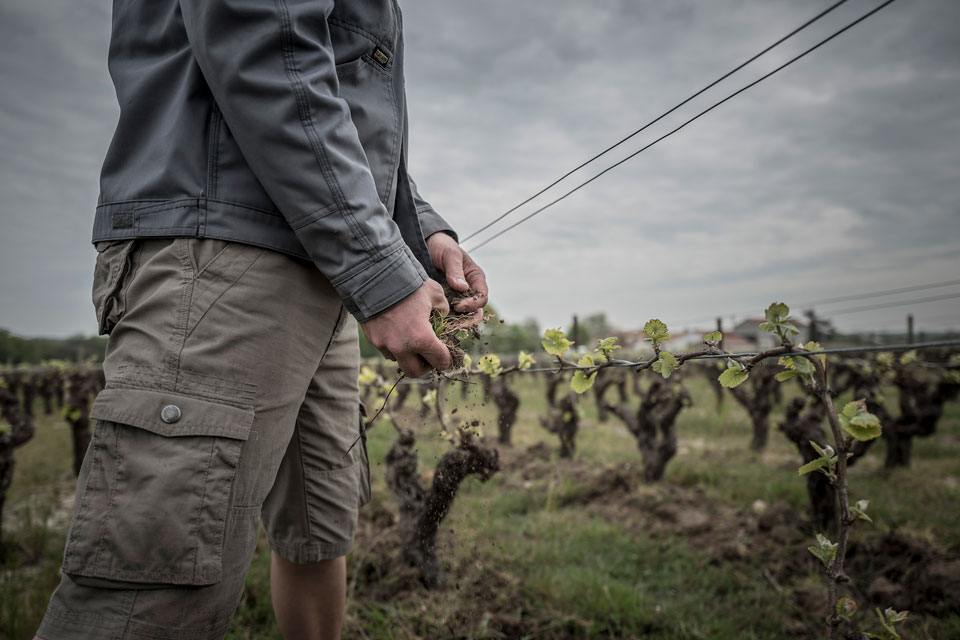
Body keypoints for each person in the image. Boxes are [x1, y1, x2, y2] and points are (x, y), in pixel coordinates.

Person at [35, 0, 487, 639]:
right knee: (156, 587)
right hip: (226, 257)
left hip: (322, 259)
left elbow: (347, 123)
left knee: (318, 529)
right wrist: (377, 269)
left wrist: (422, 234)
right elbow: (266, 46)